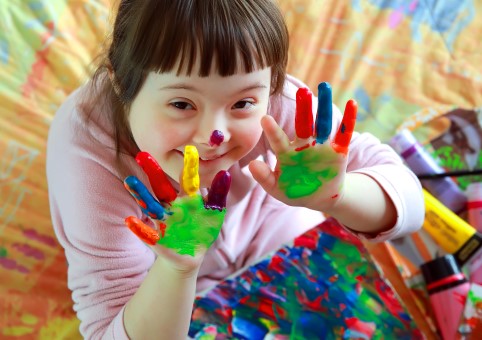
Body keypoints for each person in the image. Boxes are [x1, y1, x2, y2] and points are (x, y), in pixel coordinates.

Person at [46, 0, 425, 339]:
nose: (215, 135)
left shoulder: (279, 104)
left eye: (243, 102)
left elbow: (410, 204)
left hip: (275, 228)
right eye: (181, 104)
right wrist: (176, 267)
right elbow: (107, 330)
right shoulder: (87, 157)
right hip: (165, 287)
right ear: (119, 82)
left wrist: (339, 195)